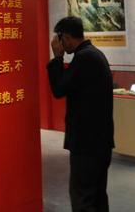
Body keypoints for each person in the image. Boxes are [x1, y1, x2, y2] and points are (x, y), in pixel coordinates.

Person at [47, 16, 115, 212]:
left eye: (60, 39)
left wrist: (57, 58)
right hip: (98, 141)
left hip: (87, 143)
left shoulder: (85, 58)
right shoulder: (93, 54)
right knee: (97, 196)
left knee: (83, 198)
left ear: (66, 37)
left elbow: (59, 88)